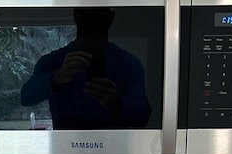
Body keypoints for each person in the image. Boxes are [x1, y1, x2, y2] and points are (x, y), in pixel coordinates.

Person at [20, 8, 152, 130]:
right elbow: (26, 97)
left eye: (96, 17)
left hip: (73, 148)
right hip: (105, 149)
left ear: (76, 16)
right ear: (111, 19)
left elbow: (142, 118)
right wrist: (57, 78)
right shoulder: (129, 63)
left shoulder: (54, 61)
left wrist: (118, 103)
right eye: (88, 16)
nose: (92, 23)